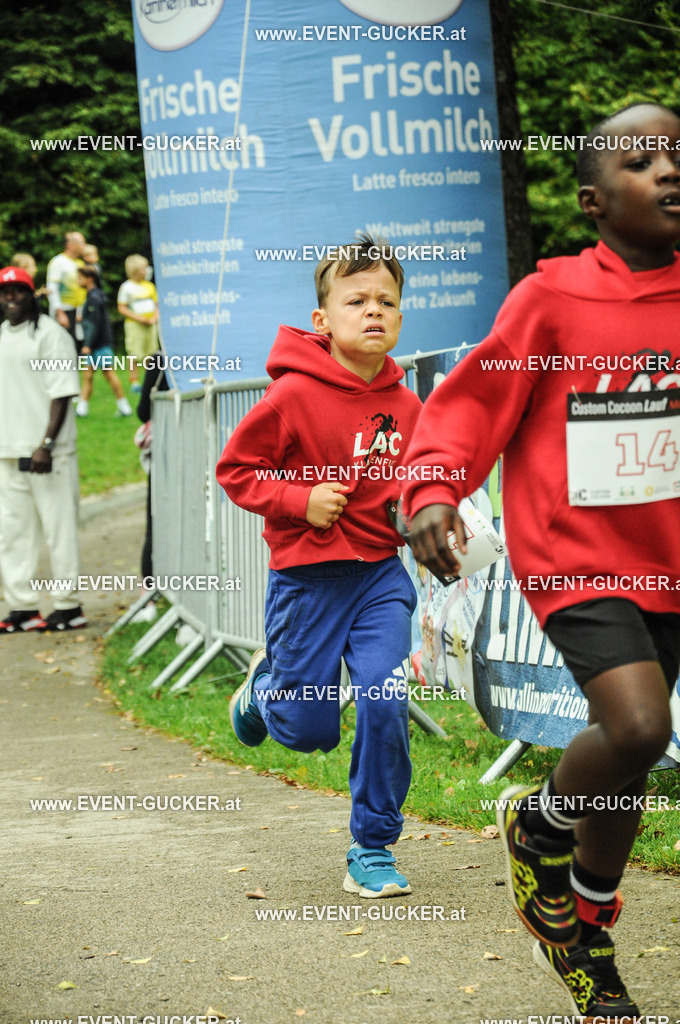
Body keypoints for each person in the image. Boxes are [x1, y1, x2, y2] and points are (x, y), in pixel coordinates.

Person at [403, 102, 680, 1021]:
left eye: (679, 153)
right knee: (638, 728)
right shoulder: (551, 297)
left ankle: (588, 931)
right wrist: (435, 487)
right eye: (644, 161)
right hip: (578, 556)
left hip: (670, 559)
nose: (670, 169)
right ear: (594, 202)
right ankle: (537, 823)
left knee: (629, 763)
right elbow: (471, 404)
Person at [216, 234, 422, 897]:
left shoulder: (410, 404)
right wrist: (297, 499)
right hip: (307, 580)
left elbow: (424, 480)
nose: (373, 312)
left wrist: (431, 512)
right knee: (309, 735)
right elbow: (236, 471)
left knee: (386, 699)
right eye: (355, 299)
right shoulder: (292, 398)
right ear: (322, 320)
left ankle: (372, 846)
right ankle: (266, 689)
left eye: (386, 301)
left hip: (380, 581)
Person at [0, 266, 86, 633]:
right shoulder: (3, 334)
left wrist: (46, 444)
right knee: (12, 532)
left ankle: (69, 606)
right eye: (5, 293)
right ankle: (22, 607)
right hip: (8, 450)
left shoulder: (51, 335)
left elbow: (63, 390)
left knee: (58, 531)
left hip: (49, 454)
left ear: (32, 294)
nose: (11, 298)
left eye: (18, 291)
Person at [75, 265, 132, 418]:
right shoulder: (95, 296)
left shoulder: (94, 298)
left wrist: (87, 344)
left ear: (89, 279)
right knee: (87, 375)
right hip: (96, 344)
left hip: (99, 344)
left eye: (80, 278)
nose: (77, 281)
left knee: (108, 374)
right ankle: (82, 409)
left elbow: (94, 323)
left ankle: (124, 406)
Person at [117, 254, 159, 392]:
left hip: (150, 323)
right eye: (144, 268)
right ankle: (134, 381)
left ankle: (149, 380)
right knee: (134, 353)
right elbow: (122, 307)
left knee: (150, 353)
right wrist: (139, 318)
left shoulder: (150, 286)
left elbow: (156, 304)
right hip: (135, 324)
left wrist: (154, 317)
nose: (146, 271)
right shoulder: (127, 287)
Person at [45, 231, 86, 350]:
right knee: (62, 347)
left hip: (77, 312)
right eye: (81, 243)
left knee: (76, 347)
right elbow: (52, 288)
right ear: (70, 244)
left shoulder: (80, 263)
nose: (84, 246)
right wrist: (59, 312)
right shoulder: (58, 262)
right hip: (64, 311)